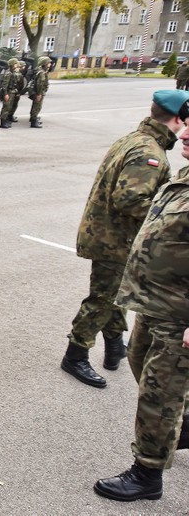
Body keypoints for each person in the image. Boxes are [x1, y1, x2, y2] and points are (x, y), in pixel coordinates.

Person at [61, 89, 189, 388]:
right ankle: (76, 354)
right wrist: (166, 215)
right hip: (114, 239)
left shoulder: (138, 139)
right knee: (102, 299)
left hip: (110, 235)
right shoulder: (149, 152)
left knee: (114, 295)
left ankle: (115, 344)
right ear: (178, 118)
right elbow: (130, 200)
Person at [94, 121, 189, 502]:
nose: (183, 134)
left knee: (160, 391)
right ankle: (181, 428)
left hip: (178, 315)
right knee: (138, 362)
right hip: (156, 302)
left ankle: (147, 474)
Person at [0, 58, 24, 128]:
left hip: (12, 92)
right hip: (9, 92)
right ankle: (3, 122)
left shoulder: (12, 72)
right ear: (12, 65)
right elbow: (4, 85)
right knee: (6, 107)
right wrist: (5, 94)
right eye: (16, 64)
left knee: (9, 107)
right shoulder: (8, 73)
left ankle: (6, 120)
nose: (17, 65)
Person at [29, 56, 51, 128]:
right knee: (37, 107)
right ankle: (33, 122)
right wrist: (39, 93)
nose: (50, 64)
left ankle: (33, 119)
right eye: (48, 63)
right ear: (44, 64)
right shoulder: (41, 73)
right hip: (39, 92)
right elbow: (39, 84)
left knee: (36, 106)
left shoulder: (41, 71)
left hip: (38, 92)